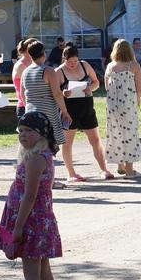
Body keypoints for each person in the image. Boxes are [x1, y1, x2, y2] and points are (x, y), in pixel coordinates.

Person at [0, 111, 63, 280]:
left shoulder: (35, 160)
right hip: (41, 221)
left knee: (32, 274)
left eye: (28, 131)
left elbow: (30, 196)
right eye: (21, 131)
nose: (23, 135)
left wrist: (17, 228)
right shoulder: (43, 156)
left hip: (31, 222)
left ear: (41, 134)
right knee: (43, 271)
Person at [56, 44, 113, 182]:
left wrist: (90, 88)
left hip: (87, 108)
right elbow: (55, 93)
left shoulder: (84, 65)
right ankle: (71, 173)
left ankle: (104, 169)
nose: (73, 64)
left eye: (75, 61)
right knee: (67, 143)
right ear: (64, 59)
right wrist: (63, 93)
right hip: (69, 111)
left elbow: (96, 82)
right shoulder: (58, 72)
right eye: (69, 62)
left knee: (95, 140)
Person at [104, 39, 141, 177]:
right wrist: (137, 100)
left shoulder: (110, 66)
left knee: (116, 133)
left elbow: (107, 87)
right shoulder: (134, 66)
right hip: (128, 104)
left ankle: (120, 164)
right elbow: (139, 88)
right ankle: (129, 170)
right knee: (130, 134)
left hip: (112, 105)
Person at [22, 41, 71, 151]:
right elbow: (57, 94)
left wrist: (29, 107)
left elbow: (22, 93)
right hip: (47, 113)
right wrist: (64, 111)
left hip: (30, 112)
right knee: (47, 146)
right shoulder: (48, 71)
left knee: (33, 146)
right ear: (44, 53)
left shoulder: (25, 72)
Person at [12, 39, 37, 118]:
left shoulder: (31, 63)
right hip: (25, 106)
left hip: (33, 105)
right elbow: (30, 86)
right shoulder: (21, 65)